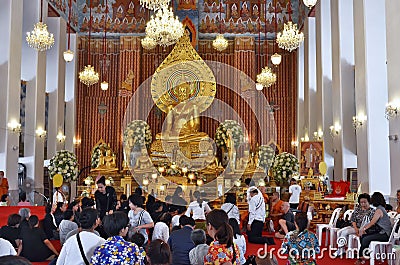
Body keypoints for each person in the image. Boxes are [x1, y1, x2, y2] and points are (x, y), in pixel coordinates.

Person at [357, 192, 393, 264]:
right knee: (364, 236)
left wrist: (363, 229)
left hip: (385, 234)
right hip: (382, 232)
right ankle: (365, 255)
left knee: (365, 238)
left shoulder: (379, 210)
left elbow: (372, 223)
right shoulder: (381, 208)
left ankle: (361, 258)